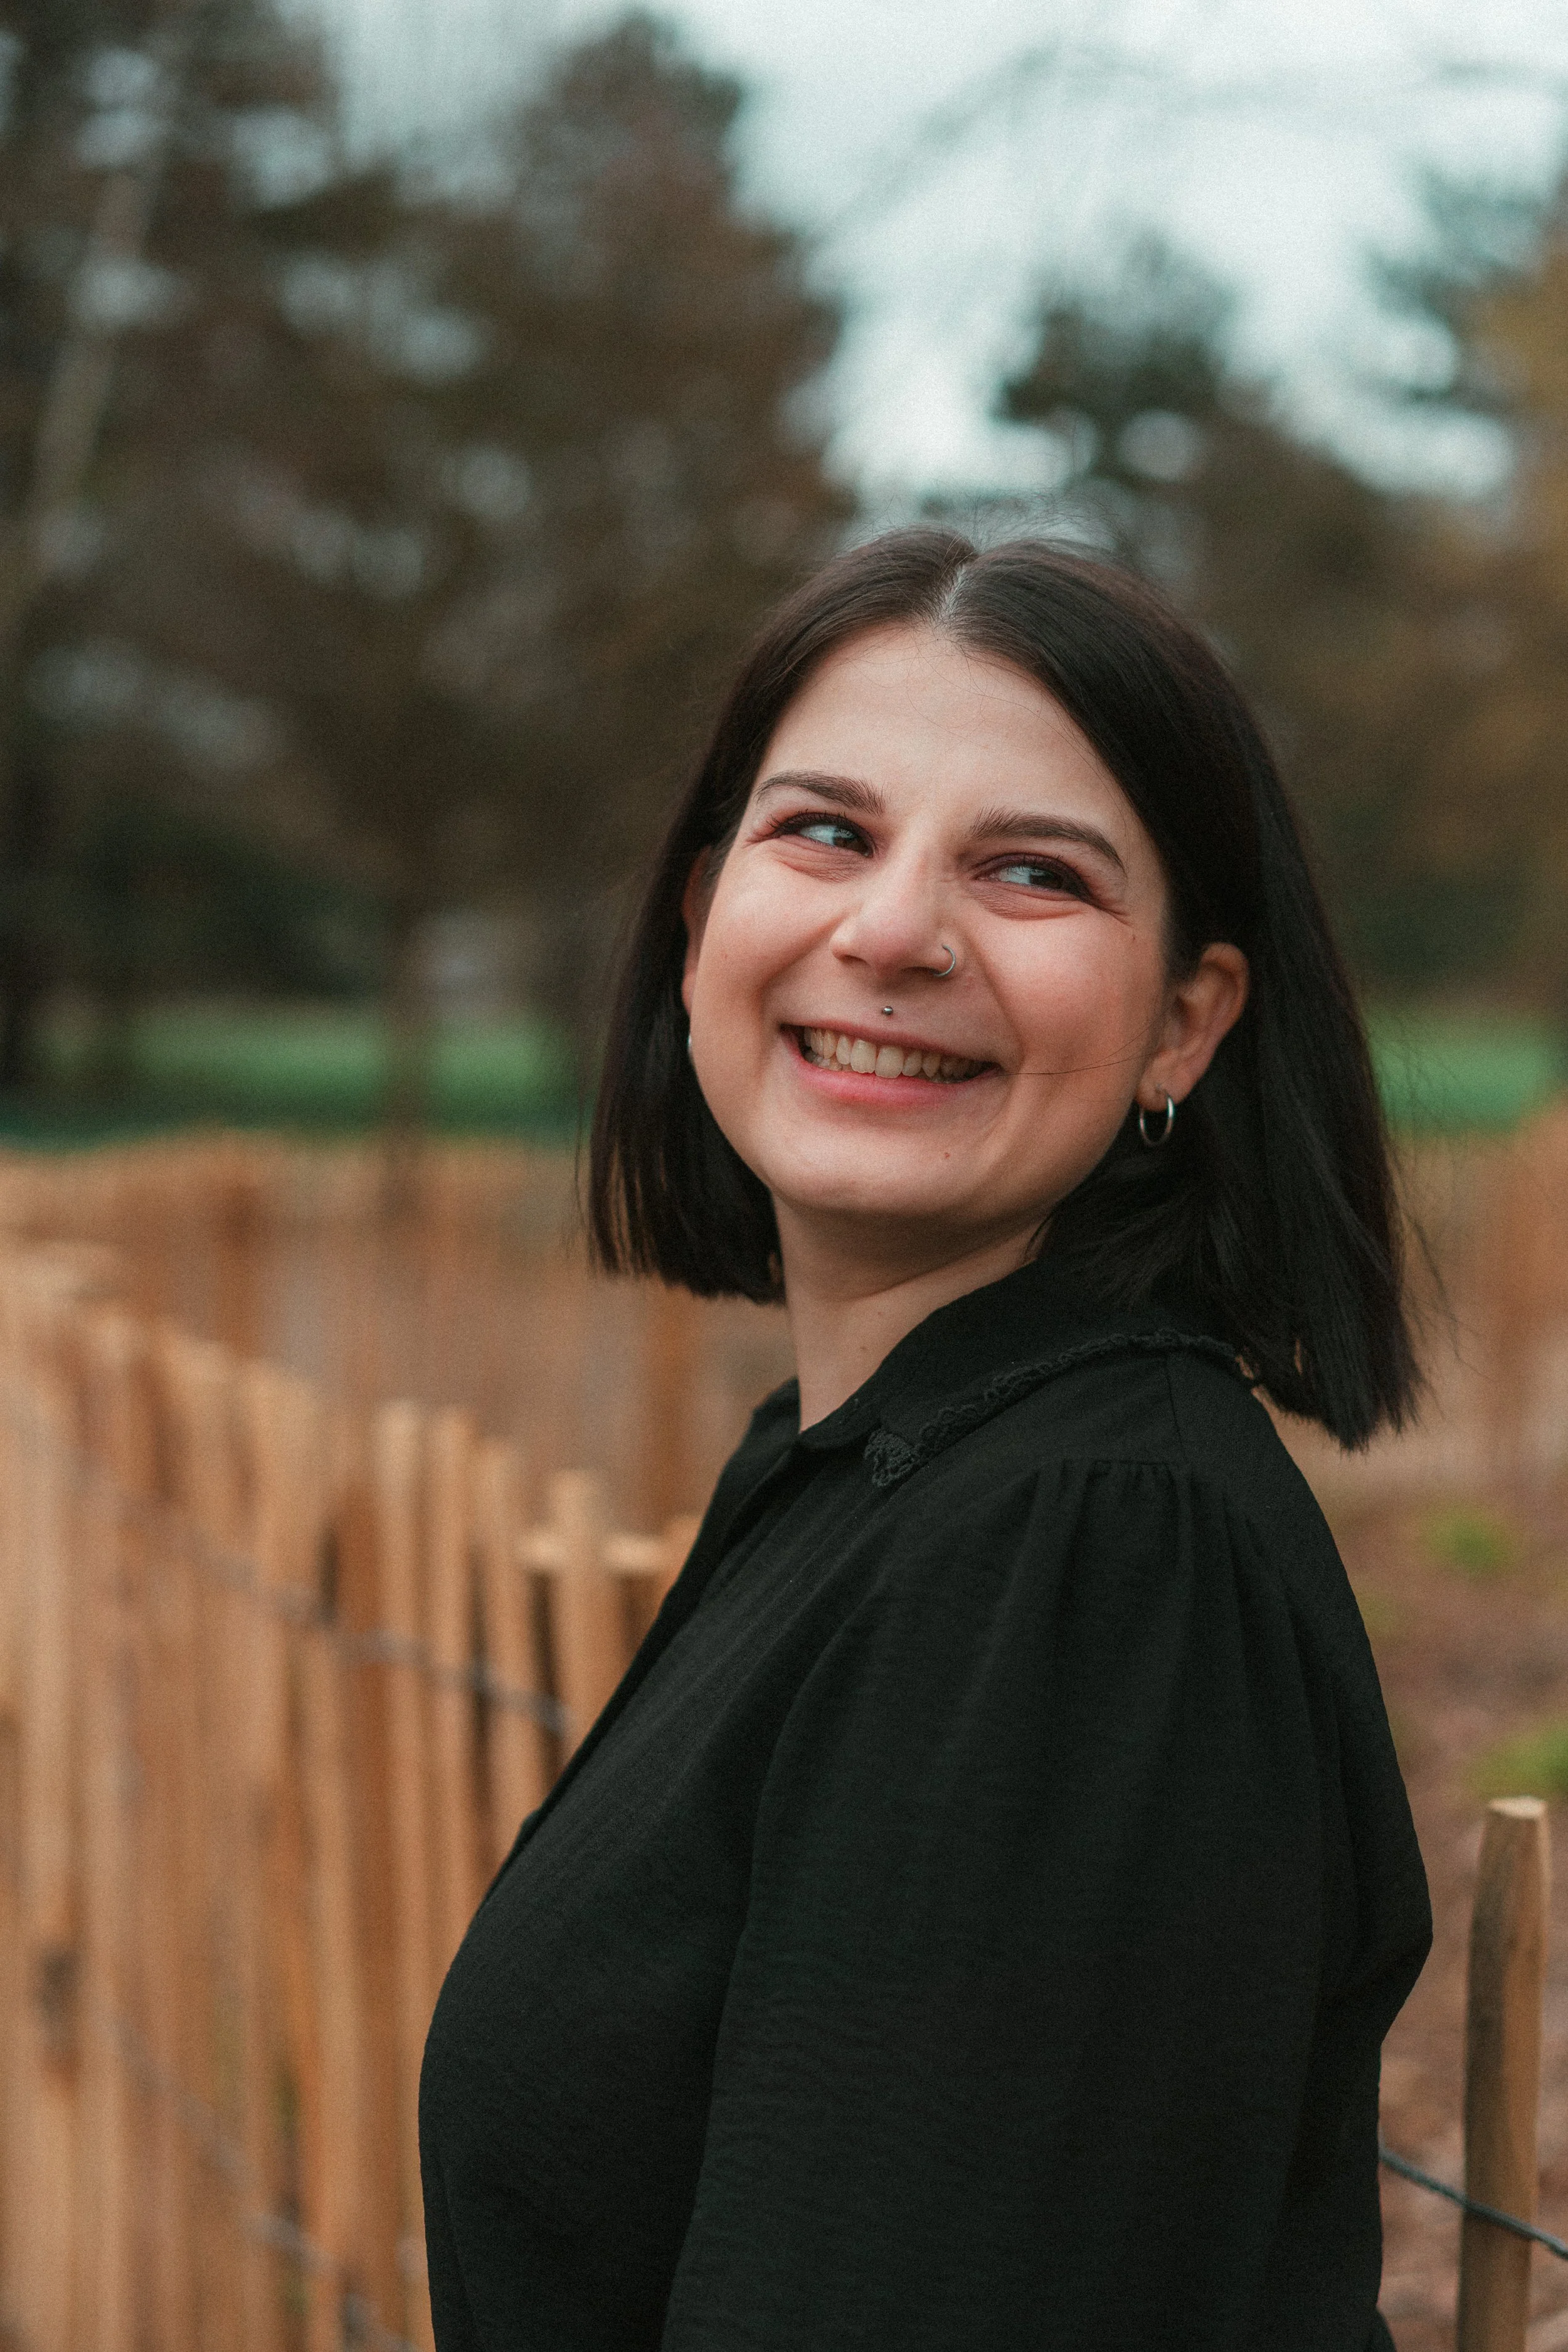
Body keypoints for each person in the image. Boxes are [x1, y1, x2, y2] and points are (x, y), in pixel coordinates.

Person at [419, 529, 1431, 2351]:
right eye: (822, 830)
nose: (889, 931)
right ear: (696, 911)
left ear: (1183, 1025)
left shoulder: (1091, 1562)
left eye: (1029, 870)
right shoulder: (865, 1464)